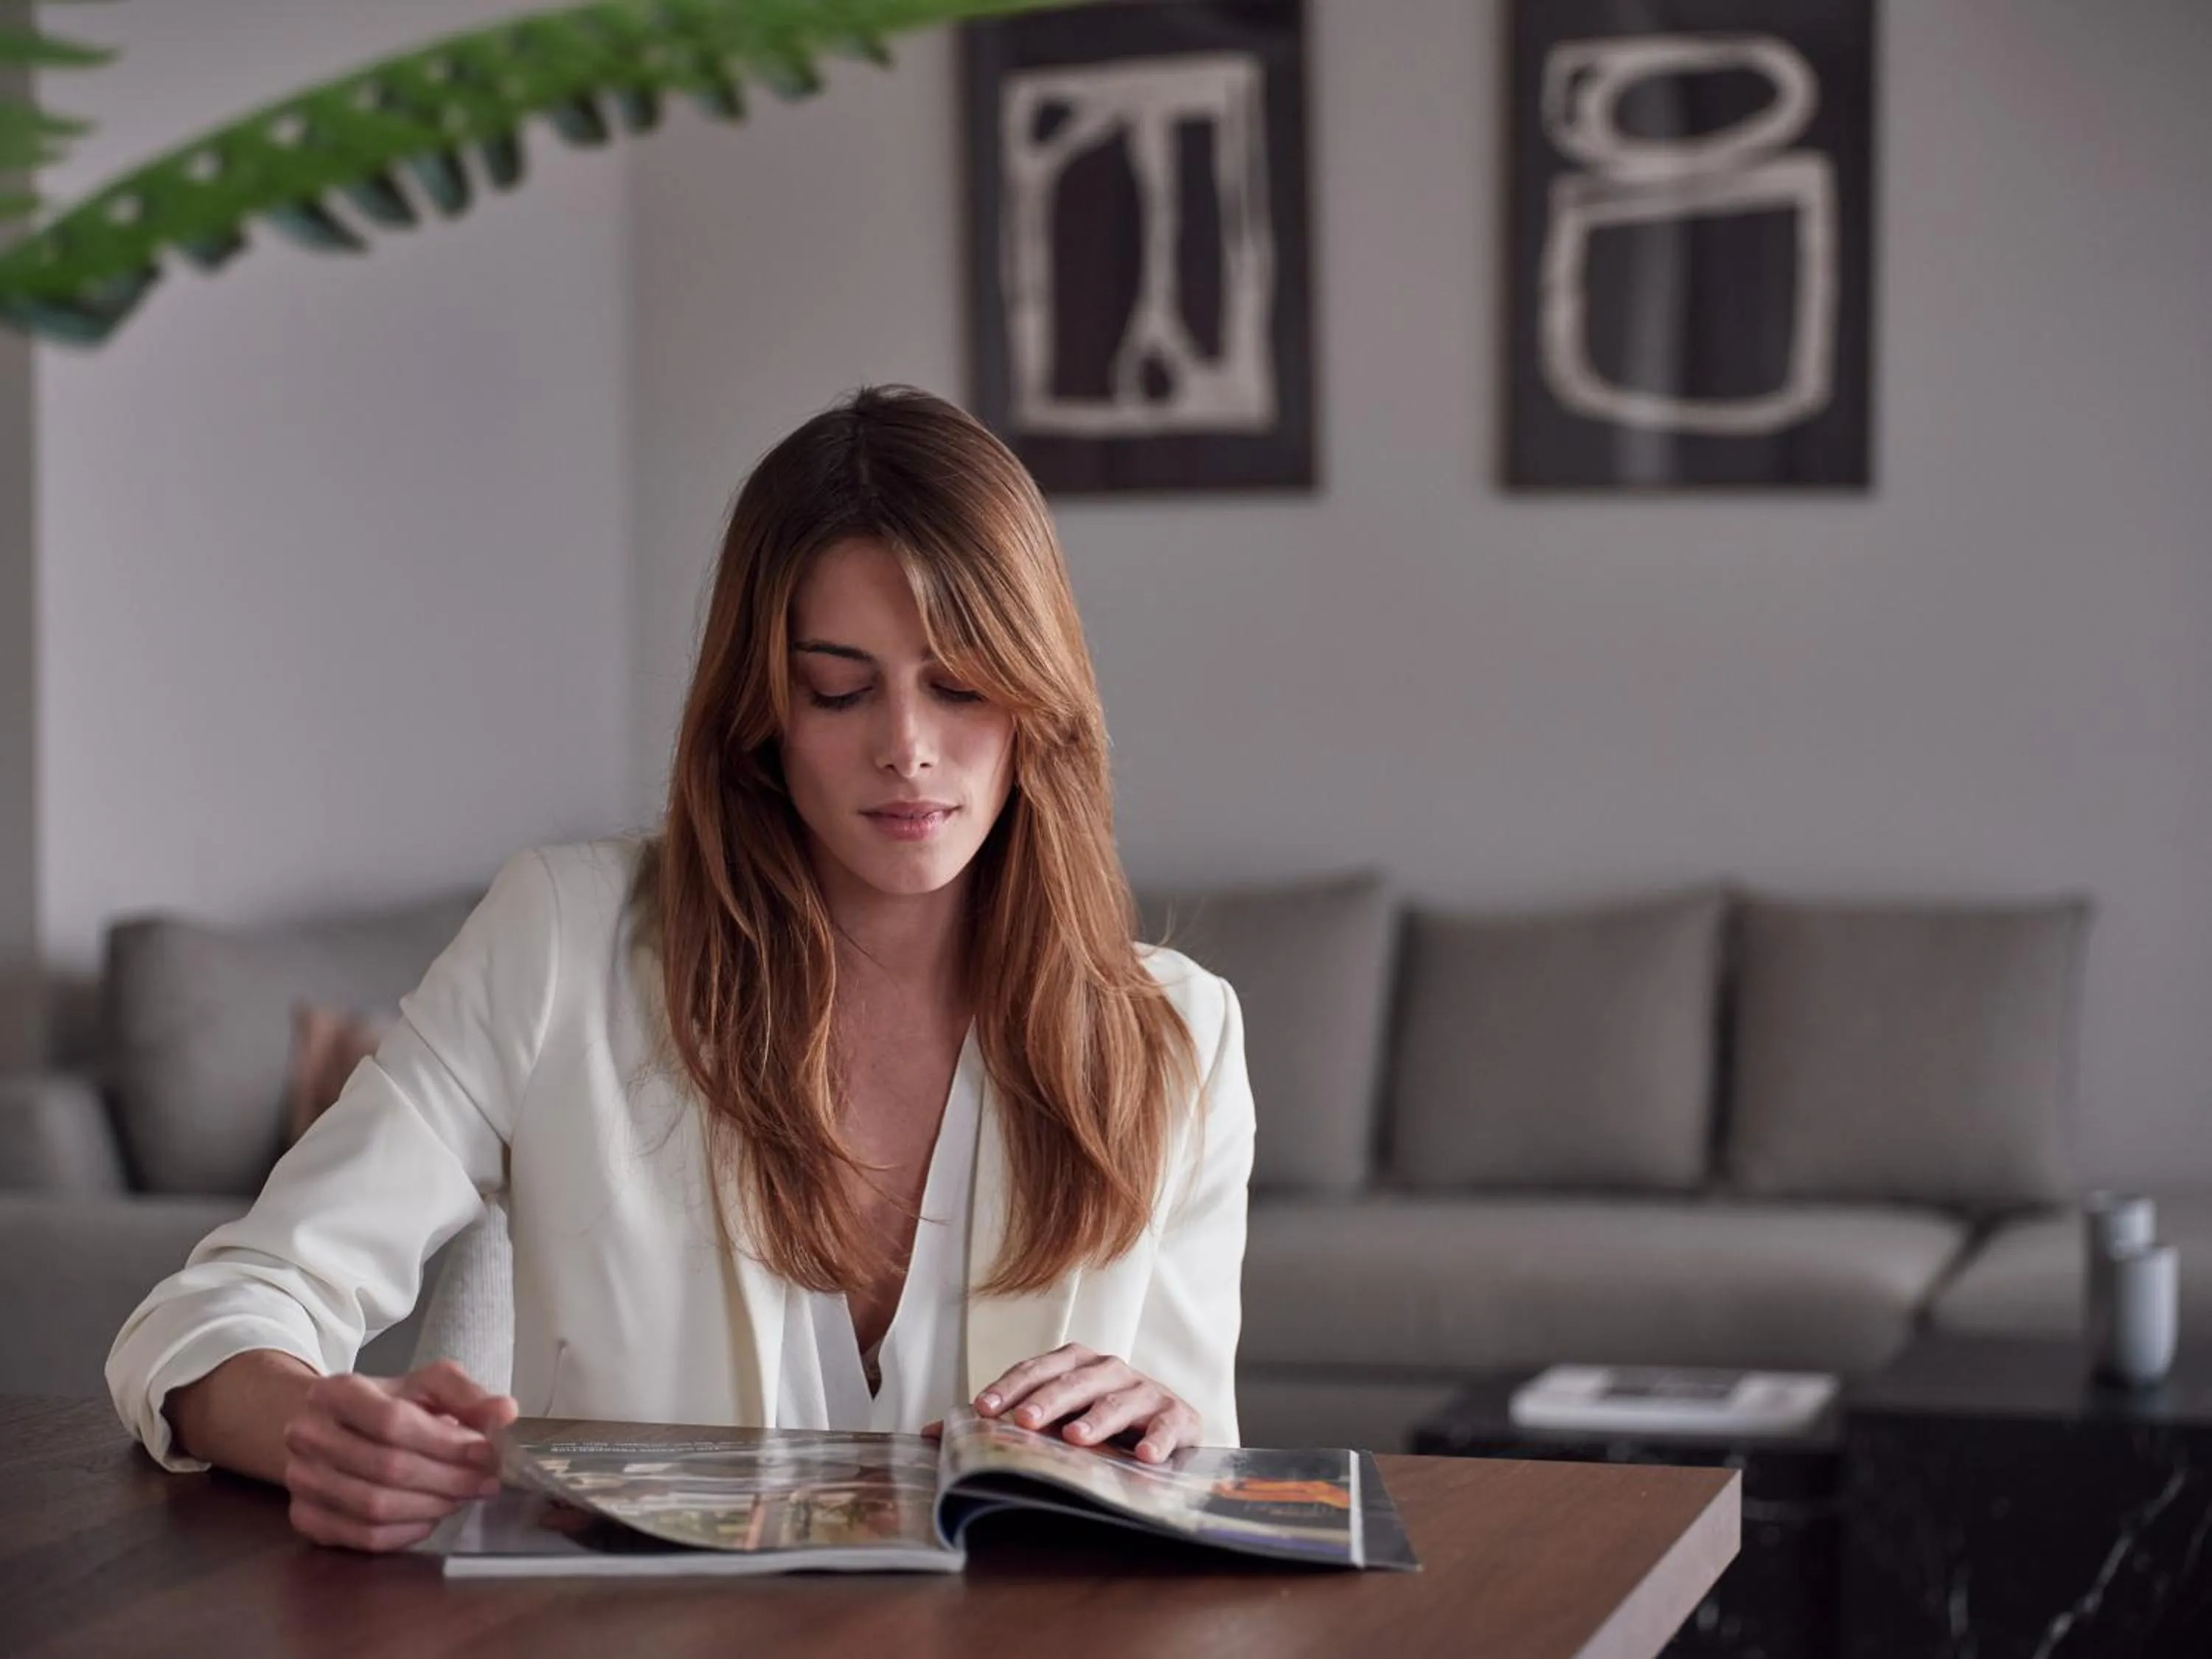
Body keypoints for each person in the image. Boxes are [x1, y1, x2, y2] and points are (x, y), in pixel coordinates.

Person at [105, 385, 1256, 1554]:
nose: (906, 743)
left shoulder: (1181, 1038)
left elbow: (1184, 1471)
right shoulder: (562, 940)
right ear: (763, 709)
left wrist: (1174, 1437)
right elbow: (211, 1315)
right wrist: (315, 1427)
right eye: (840, 687)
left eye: (958, 681)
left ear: (1036, 696)